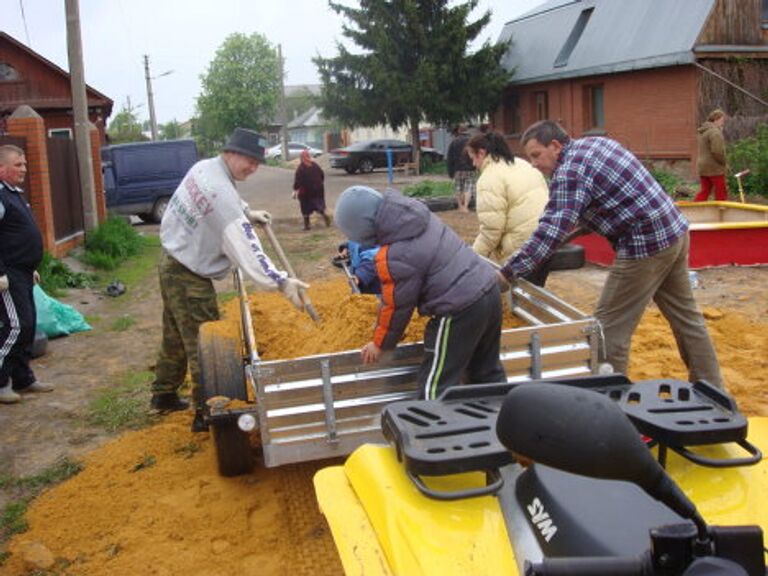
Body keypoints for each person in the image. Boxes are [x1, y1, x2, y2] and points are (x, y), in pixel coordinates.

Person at [501, 120, 723, 388]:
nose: (534, 164)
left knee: (607, 330)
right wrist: (575, 231)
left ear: (556, 146)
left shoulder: (569, 171)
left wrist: (506, 272)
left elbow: (552, 228)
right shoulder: (595, 144)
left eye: (536, 155)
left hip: (645, 245)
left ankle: (610, 398)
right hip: (674, 231)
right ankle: (713, 388)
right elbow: (613, 196)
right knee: (687, 318)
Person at [151, 128, 310, 431]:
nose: (252, 168)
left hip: (171, 261)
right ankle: (207, 413)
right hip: (188, 274)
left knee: (175, 334)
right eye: (248, 161)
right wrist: (281, 281)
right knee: (206, 344)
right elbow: (248, 249)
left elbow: (224, 202)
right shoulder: (220, 191)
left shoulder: (205, 168)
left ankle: (163, 394)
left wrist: (247, 212)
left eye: (257, 163)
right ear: (231, 152)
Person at [334, 185, 507, 400]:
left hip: (459, 310)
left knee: (435, 386)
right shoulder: (415, 218)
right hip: (488, 290)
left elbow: (396, 305)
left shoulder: (395, 254)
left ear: (364, 231)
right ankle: (499, 425)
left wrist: (380, 343)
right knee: (486, 373)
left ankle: (433, 430)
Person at [0, 145, 54, 405]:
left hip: (22, 272)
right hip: (7, 275)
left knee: (29, 326)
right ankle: (1, 383)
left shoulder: (15, 194)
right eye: (18, 165)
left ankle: (23, 378)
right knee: (16, 326)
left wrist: (30, 267)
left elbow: (17, 235)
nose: (24, 169)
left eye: (24, 164)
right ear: (2, 168)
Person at [465, 131, 550, 285]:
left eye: (473, 158)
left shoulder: (489, 178)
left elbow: (491, 230)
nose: (473, 164)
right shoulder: (523, 164)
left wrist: (472, 259)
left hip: (520, 248)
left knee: (516, 297)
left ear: (481, 153)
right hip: (545, 240)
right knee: (535, 290)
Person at [694, 109, 729, 202]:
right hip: (714, 167)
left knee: (705, 191)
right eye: (722, 120)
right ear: (716, 119)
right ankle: (721, 213)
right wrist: (724, 162)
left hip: (702, 166)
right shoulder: (715, 132)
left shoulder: (704, 131)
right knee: (721, 192)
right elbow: (717, 151)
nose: (723, 123)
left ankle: (694, 211)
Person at [293, 149, 331, 230]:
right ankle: (324, 214)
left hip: (306, 191)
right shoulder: (315, 165)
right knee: (318, 204)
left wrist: (295, 190)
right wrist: (319, 183)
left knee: (305, 207)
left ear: (301, 158)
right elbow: (322, 175)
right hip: (318, 189)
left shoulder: (301, 168)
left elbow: (298, 181)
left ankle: (307, 226)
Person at [446, 125, 476, 213]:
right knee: (468, 188)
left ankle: (460, 206)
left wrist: (450, 172)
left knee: (458, 188)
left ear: (459, 130)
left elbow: (449, 158)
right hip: (470, 169)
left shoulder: (454, 142)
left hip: (457, 169)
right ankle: (466, 207)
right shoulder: (472, 141)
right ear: (467, 130)